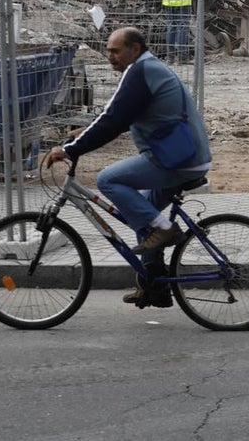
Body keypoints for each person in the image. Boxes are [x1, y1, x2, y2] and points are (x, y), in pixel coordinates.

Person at [45, 26, 212, 309]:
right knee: (141, 212)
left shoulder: (140, 71)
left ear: (134, 49)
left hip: (179, 160)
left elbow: (114, 120)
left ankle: (166, 229)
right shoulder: (144, 69)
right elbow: (115, 111)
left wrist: (70, 150)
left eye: (115, 50)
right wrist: (83, 133)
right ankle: (154, 287)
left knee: (108, 180)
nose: (110, 56)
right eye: (108, 50)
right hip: (183, 156)